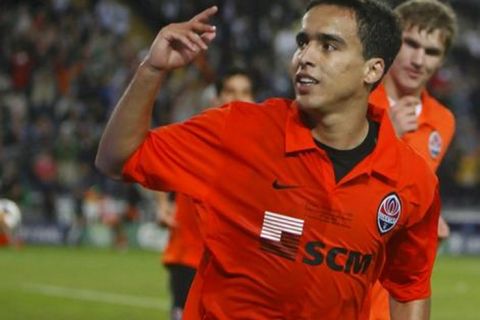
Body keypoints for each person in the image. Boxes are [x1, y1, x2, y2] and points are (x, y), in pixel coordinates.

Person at [96, 1, 440, 319]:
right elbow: (117, 158)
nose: (305, 57)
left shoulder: (411, 180)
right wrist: (152, 70)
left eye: (329, 46)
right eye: (303, 42)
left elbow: (409, 287)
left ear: (372, 69)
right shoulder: (240, 130)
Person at [367, 0, 458, 319]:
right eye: (411, 44)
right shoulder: (356, 99)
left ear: (442, 59)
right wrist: (383, 129)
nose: (419, 60)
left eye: (432, 51)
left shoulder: (442, 121)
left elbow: (417, 187)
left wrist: (432, 217)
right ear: (393, 41)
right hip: (348, 266)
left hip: (396, 288)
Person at [157, 68, 255, 320]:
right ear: (217, 98)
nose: (238, 98)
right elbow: (156, 156)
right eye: (230, 91)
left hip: (233, 264)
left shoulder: (261, 148)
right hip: (189, 255)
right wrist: (162, 205)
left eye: (245, 92)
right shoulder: (199, 135)